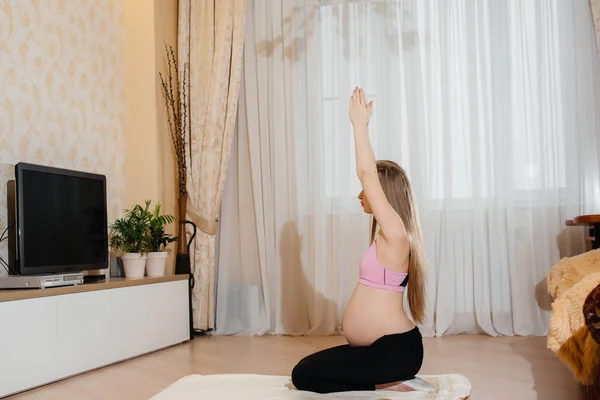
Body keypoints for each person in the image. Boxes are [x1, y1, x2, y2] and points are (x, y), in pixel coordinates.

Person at [291, 87, 427, 394]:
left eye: (366, 190)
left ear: (383, 193)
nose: (360, 194)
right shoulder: (387, 235)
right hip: (380, 351)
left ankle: (388, 382)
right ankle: (384, 382)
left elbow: (367, 173)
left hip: (395, 352)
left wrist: (358, 125)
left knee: (305, 376)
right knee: (304, 373)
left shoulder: (396, 233)